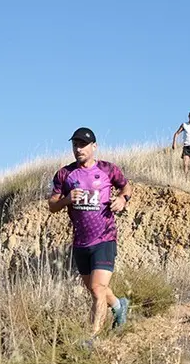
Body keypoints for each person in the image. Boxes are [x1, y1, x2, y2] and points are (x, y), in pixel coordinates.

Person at [48, 127, 133, 345]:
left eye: (83, 145)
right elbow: (52, 205)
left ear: (94, 146)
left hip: (105, 238)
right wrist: (67, 199)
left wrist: (123, 200)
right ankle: (118, 305)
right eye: (75, 145)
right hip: (80, 242)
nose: (78, 149)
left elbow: (126, 188)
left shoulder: (108, 169)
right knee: (95, 289)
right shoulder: (64, 174)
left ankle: (93, 338)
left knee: (97, 290)